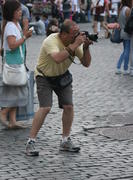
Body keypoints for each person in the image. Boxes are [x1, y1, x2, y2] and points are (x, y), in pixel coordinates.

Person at [25, 19, 92, 156]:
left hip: (62, 76)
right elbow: (57, 58)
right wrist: (75, 45)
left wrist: (85, 48)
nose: (77, 36)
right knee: (45, 107)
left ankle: (65, 141)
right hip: (44, 76)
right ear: (63, 34)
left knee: (69, 106)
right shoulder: (51, 40)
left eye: (78, 33)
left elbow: (86, 63)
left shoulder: (75, 43)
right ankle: (30, 142)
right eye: (74, 33)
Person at [0, 0, 32, 128]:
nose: (21, 12)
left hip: (17, 61)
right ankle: (4, 113)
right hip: (13, 64)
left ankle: (12, 121)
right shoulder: (11, 27)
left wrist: (25, 32)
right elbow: (13, 45)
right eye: (18, 10)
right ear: (12, 12)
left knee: (15, 91)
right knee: (20, 91)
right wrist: (25, 37)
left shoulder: (15, 25)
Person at [116, 0, 132, 74]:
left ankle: (118, 67)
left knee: (125, 50)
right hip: (127, 32)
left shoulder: (121, 9)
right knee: (127, 51)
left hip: (122, 31)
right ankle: (125, 68)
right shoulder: (127, 10)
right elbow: (129, 22)